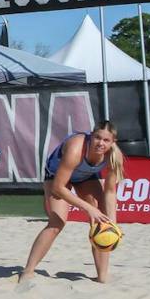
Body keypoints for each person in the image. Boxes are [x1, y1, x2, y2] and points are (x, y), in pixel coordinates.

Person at [18, 120, 124, 286]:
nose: (100, 143)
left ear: (113, 142)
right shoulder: (76, 148)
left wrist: (113, 224)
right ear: (91, 136)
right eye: (97, 138)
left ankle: (102, 277)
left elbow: (110, 192)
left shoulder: (114, 156)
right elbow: (59, 188)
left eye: (106, 140)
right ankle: (28, 270)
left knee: (103, 223)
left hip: (85, 176)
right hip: (56, 177)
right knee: (56, 223)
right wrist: (88, 208)